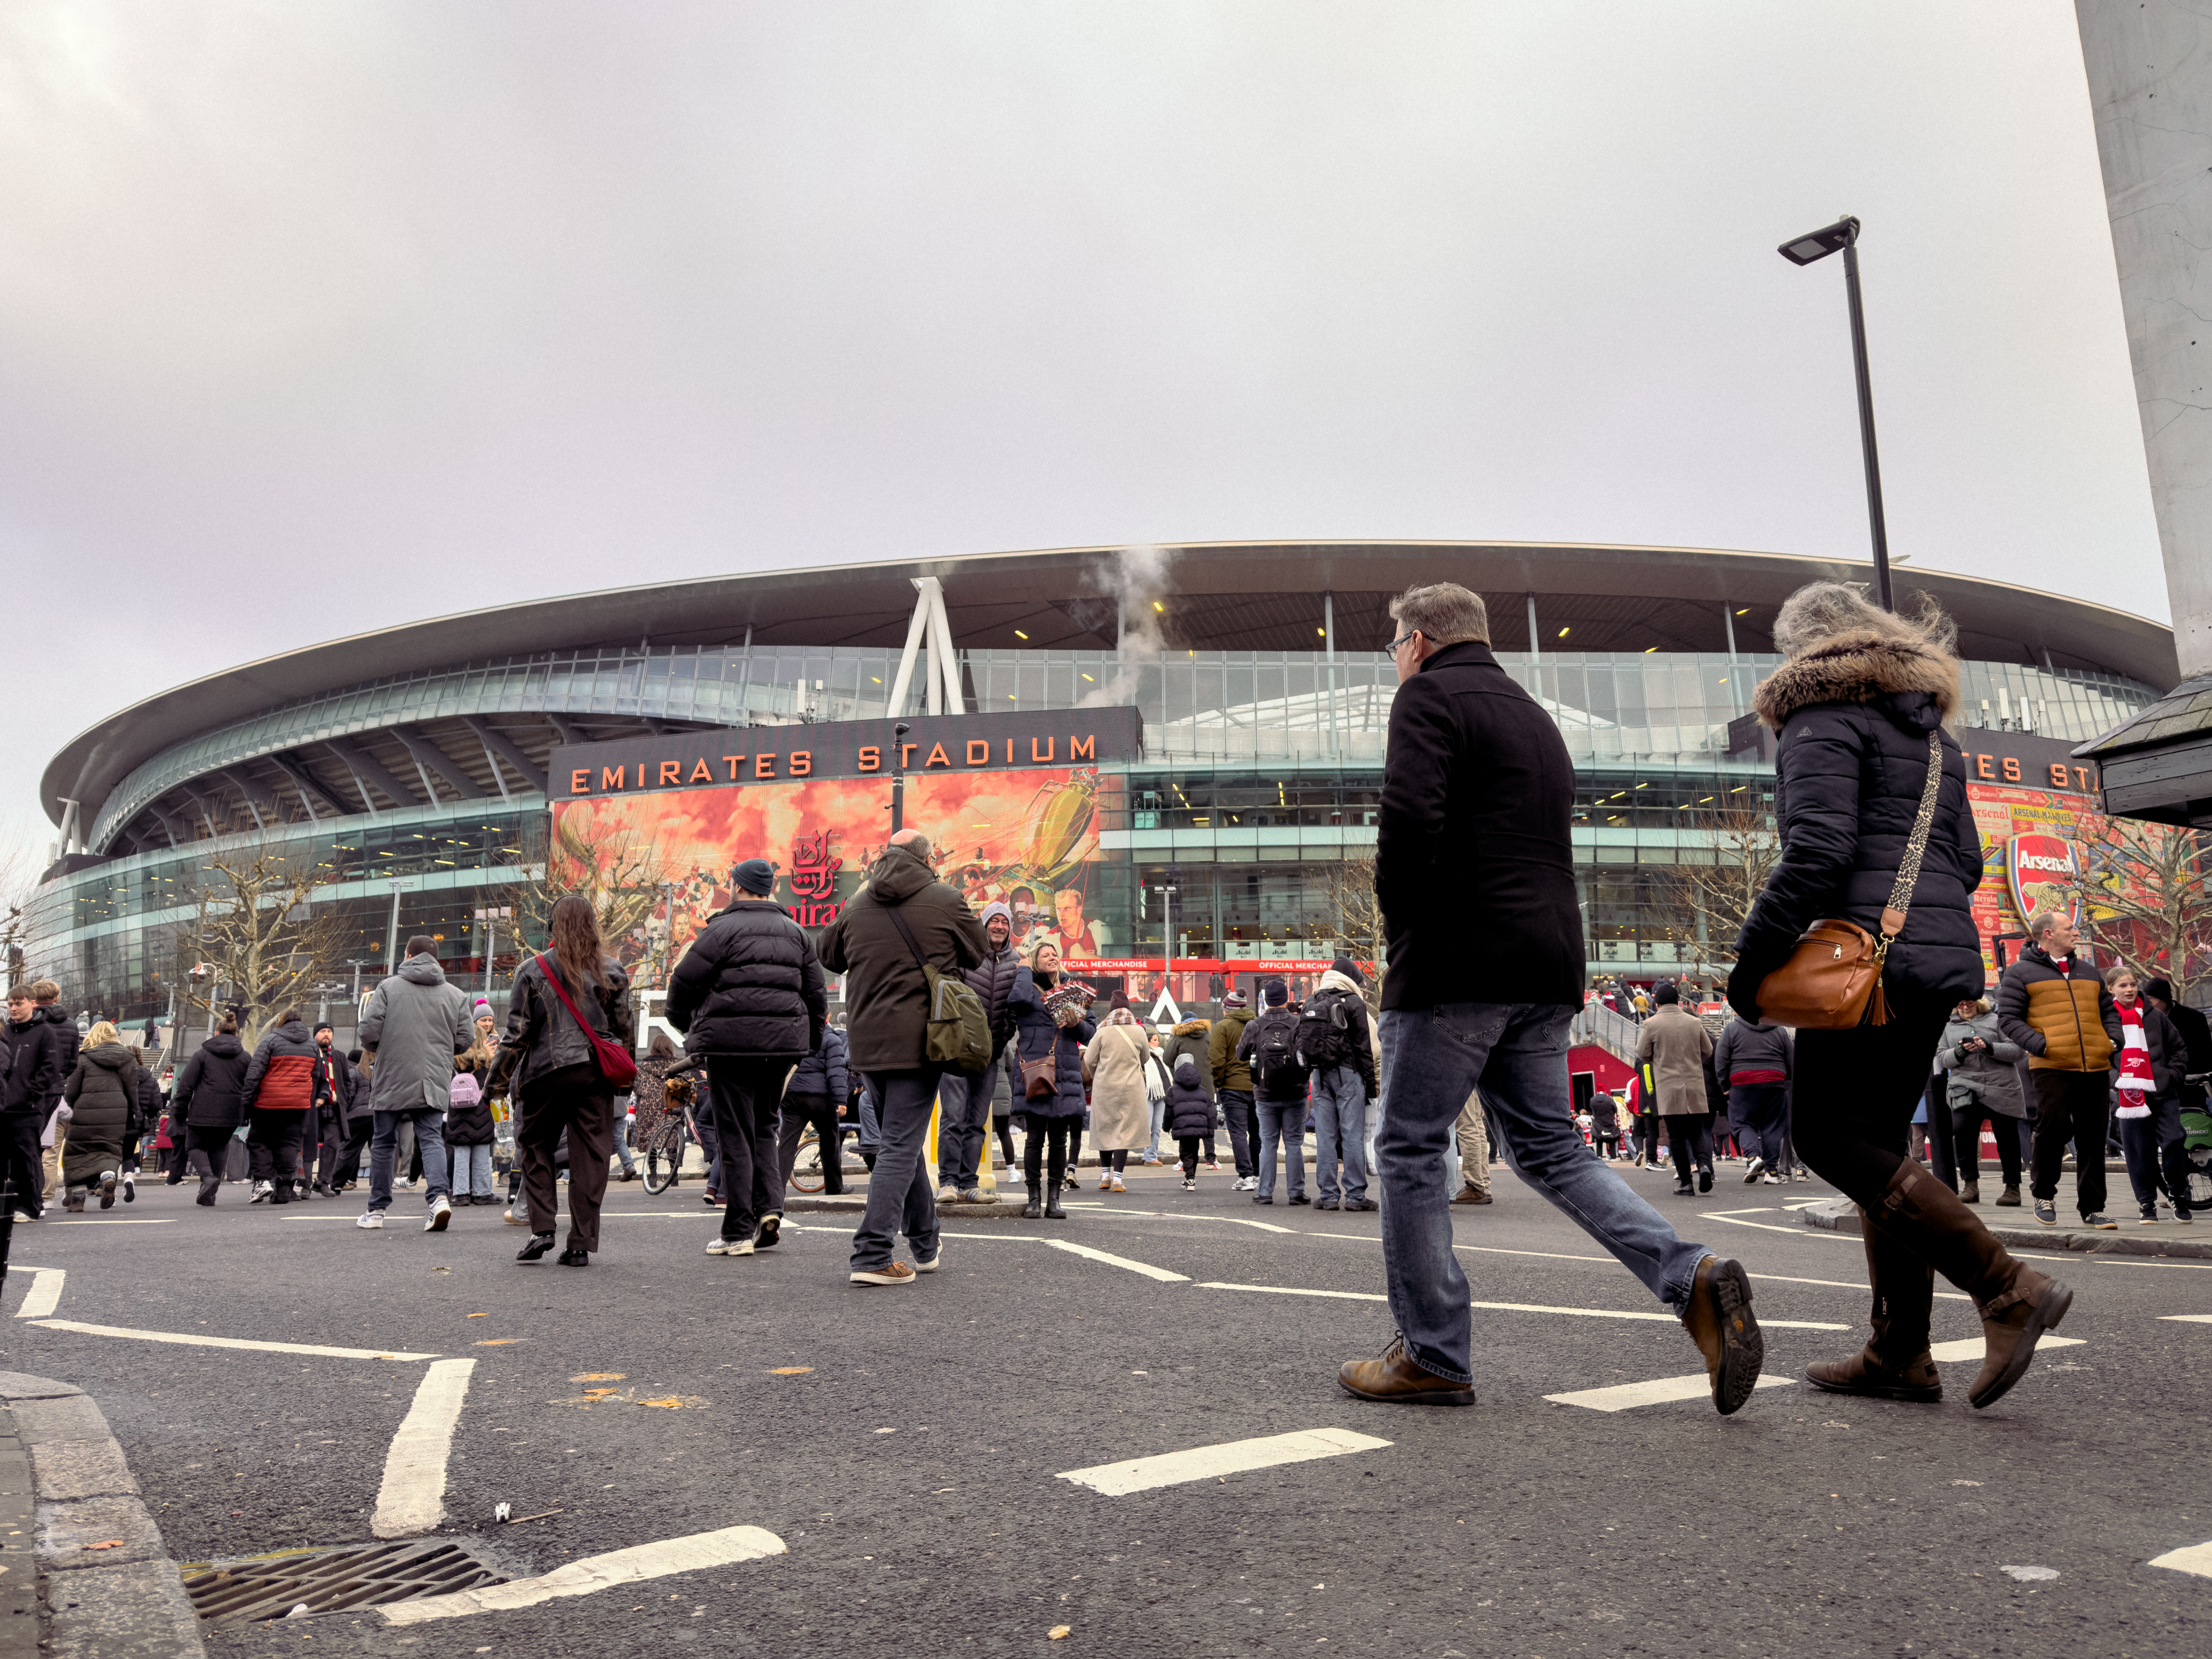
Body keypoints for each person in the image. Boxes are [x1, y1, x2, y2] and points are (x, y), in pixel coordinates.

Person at [1340, 580, 1760, 1413]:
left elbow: (1408, 823)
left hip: (1458, 962)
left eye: (1392, 643)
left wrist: (1399, 936)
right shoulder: (1534, 716)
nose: (1394, 658)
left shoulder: (1428, 697)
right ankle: (1690, 1276)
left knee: (1409, 1147)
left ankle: (1431, 1354)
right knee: (1550, 1149)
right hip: (1546, 963)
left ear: (1418, 639)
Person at [1730, 580, 2072, 1411]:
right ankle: (1899, 1352)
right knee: (1880, 1143)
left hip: (1866, 963)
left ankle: (2006, 1287)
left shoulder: (1818, 718)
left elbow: (1815, 849)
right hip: (1932, 957)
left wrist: (1754, 961)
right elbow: (1966, 864)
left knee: (1827, 1136)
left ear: (1803, 651)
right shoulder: (1933, 738)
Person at [819, 828, 988, 1286]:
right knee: (899, 1144)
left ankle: (926, 1243)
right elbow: (979, 952)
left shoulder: (858, 902)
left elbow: (827, 954)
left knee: (901, 1138)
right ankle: (872, 1253)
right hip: (922, 1040)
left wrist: (858, 899)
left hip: (867, 1044)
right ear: (928, 858)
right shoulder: (946, 898)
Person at [665, 856, 827, 1257]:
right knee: (764, 1127)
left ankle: (737, 1230)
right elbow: (816, 995)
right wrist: (810, 1042)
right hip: (782, 1046)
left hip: (730, 1046)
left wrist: (691, 1028)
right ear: (770, 889)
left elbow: (683, 983)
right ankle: (770, 1208)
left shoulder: (722, 930)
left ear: (738, 886)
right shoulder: (798, 933)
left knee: (734, 1132)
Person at [490, 901, 635, 1264]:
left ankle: (542, 1229)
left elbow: (517, 1035)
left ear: (552, 925)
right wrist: (622, 1083)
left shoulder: (531, 970)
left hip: (544, 1074)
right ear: (593, 925)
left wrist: (496, 1082)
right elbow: (623, 1032)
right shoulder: (612, 970)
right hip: (594, 1074)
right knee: (592, 1157)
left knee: (535, 1145)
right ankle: (581, 1244)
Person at [1996, 909, 2124, 1229]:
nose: (2075, 932)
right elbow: (2008, 1019)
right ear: (2047, 934)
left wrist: (2111, 1042)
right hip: (2051, 1066)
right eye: (2069, 928)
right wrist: (2041, 1045)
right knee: (2052, 1132)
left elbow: (2109, 1011)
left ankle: (2093, 1208)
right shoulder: (2020, 973)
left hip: (2093, 1066)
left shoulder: (2089, 972)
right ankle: (2043, 1195)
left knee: (2093, 1137)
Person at [356, 937, 474, 1235]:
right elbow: (464, 1040)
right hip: (432, 1077)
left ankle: (377, 1210)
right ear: (437, 960)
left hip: (391, 1074)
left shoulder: (388, 988)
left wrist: (380, 1046)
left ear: (408, 955)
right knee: (432, 1138)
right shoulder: (456, 995)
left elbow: (369, 1032)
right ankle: (437, 1198)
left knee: (384, 1142)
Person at [939, 900, 1020, 1202]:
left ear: (1010, 928)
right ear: (983, 924)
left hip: (990, 1055)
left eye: (1004, 922)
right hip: (958, 1054)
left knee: (977, 1122)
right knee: (953, 1118)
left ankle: (969, 1183)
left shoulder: (1016, 963)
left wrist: (1002, 1039)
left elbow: (1013, 1011)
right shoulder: (966, 955)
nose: (999, 927)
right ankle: (947, 1183)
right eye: (993, 921)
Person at [1008, 940, 1095, 1217]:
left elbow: (1091, 1034)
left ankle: (1054, 1199)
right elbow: (1017, 1001)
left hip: (1066, 1072)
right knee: (1035, 1138)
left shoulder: (1074, 990)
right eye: (1045, 955)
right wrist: (1023, 970)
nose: (1052, 957)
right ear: (1035, 961)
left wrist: (1076, 1023)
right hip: (1036, 1068)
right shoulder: (1028, 985)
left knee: (1059, 1140)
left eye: (1055, 954)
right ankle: (1034, 1196)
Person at [2105, 967, 2191, 1224]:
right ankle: (2147, 1204)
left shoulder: (2156, 1017)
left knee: (2175, 1141)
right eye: (2123, 986)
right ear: (2111, 989)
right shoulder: (2106, 1020)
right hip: (2130, 1097)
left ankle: (2177, 1194)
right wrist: (2117, 1081)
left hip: (2163, 1092)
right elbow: (2101, 1059)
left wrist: (2171, 1075)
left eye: (2133, 984)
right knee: (2138, 1152)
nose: (2130, 989)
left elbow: (2179, 1049)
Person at [1302, 957, 1379, 1211]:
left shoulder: (1313, 1001)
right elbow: (1363, 1049)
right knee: (1352, 1135)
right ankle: (1356, 1196)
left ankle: (1328, 1195)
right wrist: (1370, 1086)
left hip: (1319, 1076)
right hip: (1348, 1074)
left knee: (1325, 1135)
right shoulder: (1354, 1003)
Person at [1937, 996, 2027, 1206]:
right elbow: (1941, 1057)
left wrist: (1989, 1047)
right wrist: (1958, 1052)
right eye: (1960, 1004)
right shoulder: (1947, 1026)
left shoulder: (1997, 1020)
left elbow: (2018, 1051)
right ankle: (1970, 1185)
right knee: (1963, 1133)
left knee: (2008, 1139)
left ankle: (2013, 1188)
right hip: (1965, 1086)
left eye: (1970, 1003)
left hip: (2002, 1086)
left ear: (1980, 1003)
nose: (1965, 1007)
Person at [1636, 985, 1715, 1196]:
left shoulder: (1651, 1024)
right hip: (1694, 1085)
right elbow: (1708, 1050)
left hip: (1669, 1087)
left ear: (1658, 1003)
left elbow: (1642, 1053)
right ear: (1679, 1001)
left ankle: (1686, 1183)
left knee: (1677, 1136)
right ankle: (1705, 1165)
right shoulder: (1694, 1022)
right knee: (1697, 1131)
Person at [1238, 979, 1311, 1206]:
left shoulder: (1255, 1025)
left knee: (1268, 1142)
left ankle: (1265, 1192)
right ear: (1287, 998)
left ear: (1266, 1001)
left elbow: (1240, 1055)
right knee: (1294, 1143)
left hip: (1266, 1094)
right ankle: (1296, 1192)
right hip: (1295, 1091)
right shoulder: (1297, 1023)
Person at [240, 1009, 323, 1205]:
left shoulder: (271, 1041)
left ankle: (262, 1180)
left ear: (282, 1022)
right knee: (289, 1144)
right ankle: (284, 1189)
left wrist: (247, 1100)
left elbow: (255, 1073)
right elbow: (316, 1075)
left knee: (259, 1141)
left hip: (269, 1102)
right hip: (298, 1105)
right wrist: (306, 1100)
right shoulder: (313, 1045)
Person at [58, 1021, 141, 1211]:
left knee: (77, 1152)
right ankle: (108, 1177)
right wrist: (133, 1111)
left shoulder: (84, 1058)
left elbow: (72, 1091)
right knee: (110, 1150)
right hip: (116, 1113)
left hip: (85, 1112)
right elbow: (132, 1089)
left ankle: (78, 1200)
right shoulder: (128, 1058)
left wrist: (68, 1107)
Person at [170, 1017, 249, 1206]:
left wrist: (180, 1113)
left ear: (216, 1033)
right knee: (220, 1148)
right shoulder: (245, 1057)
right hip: (232, 1113)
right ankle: (210, 1193)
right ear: (236, 1034)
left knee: (194, 1146)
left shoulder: (202, 1055)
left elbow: (186, 1087)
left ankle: (208, 1179)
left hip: (202, 1110)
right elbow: (251, 1087)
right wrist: (246, 1114)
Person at [1713, 1013, 1793, 1186]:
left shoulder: (1732, 1029)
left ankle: (1752, 1157)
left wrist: (1724, 1085)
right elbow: (1791, 1058)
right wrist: (1787, 1081)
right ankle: (1772, 1171)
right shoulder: (1779, 1030)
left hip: (1742, 1083)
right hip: (1774, 1082)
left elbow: (1721, 1058)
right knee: (1773, 1127)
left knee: (1743, 1123)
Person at [2, 986, 60, 1221]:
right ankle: (8, 1204)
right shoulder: (5, 1031)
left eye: (19, 1003)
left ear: (32, 1004)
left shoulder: (45, 1032)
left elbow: (50, 1068)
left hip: (29, 1107)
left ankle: (30, 1207)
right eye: (10, 1004)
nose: (14, 1008)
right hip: (4, 1106)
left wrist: (31, 1094)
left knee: (27, 1157)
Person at [1083, 1007, 1153, 1193]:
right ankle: (1118, 1180)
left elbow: (1089, 1060)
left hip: (1105, 1088)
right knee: (1124, 1133)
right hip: (1131, 1089)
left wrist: (1098, 1075)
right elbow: (1145, 1057)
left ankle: (1105, 1176)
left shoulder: (1102, 1031)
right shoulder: (1139, 1031)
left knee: (1105, 1130)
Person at [780, 1015, 850, 1199]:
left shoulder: (794, 1035)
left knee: (787, 1144)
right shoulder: (831, 1039)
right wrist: (841, 1100)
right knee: (830, 1141)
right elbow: (836, 1072)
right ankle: (835, 1187)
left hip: (793, 1095)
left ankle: (775, 1190)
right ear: (827, 1017)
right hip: (821, 1098)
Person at [1208, 990, 1258, 1190]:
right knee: (1257, 1133)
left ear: (1227, 1009)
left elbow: (1217, 1060)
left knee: (1238, 1133)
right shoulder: (1256, 1024)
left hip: (1232, 1086)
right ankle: (1258, 1174)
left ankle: (1245, 1176)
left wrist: (1219, 1083)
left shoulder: (1222, 1027)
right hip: (1258, 1086)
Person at [310, 1022, 363, 1194]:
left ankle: (324, 1181)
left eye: (329, 1032)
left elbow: (347, 1082)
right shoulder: (311, 1054)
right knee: (309, 1143)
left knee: (333, 1144)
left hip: (334, 1108)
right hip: (315, 1107)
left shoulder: (339, 1056)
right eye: (323, 1032)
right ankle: (304, 1184)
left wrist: (344, 1101)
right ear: (315, 1035)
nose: (327, 1035)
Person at [1162, 1015, 1215, 1170]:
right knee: (1207, 1119)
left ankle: (1184, 1160)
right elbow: (1215, 1056)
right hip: (1206, 1085)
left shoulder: (1179, 1036)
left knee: (1184, 1120)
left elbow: (1168, 1059)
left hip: (1183, 1087)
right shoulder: (1208, 1035)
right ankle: (1211, 1159)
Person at [445, 1052, 498, 1205]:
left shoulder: (453, 1063)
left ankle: (460, 1194)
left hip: (458, 1119)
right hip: (481, 1118)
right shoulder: (484, 1065)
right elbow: (491, 1089)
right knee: (482, 1156)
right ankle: (482, 1193)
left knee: (461, 1158)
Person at [1164, 1052, 1213, 1190]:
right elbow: (1210, 1112)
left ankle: (1190, 1178)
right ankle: (1192, 1178)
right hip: (1198, 1127)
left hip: (1182, 1127)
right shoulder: (1202, 1090)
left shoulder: (1173, 1090)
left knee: (1185, 1153)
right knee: (1194, 1152)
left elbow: (1168, 1112)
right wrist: (1210, 1130)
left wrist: (1166, 1127)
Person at [1451, 1092, 1494, 1204]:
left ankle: (1476, 1187)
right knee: (1476, 1122)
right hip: (1476, 1077)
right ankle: (1483, 1186)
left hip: (1462, 1076)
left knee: (1466, 1124)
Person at [1590, 1089, 1622, 1161]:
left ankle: (1599, 1156)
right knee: (1612, 1140)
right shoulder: (1609, 1100)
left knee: (1599, 1139)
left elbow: (1592, 1109)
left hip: (1598, 1122)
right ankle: (1613, 1157)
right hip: (1609, 1122)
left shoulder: (1593, 1100)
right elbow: (1615, 1109)